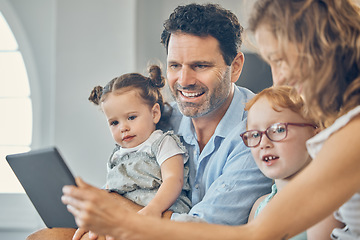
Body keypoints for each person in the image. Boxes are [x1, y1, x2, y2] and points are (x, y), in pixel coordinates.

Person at [59, 0, 360, 239]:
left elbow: (255, 234)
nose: (277, 77)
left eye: (281, 59)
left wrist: (123, 218)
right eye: (175, 65)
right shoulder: (162, 119)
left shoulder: (266, 133)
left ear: (322, 48)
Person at [27, 3, 271, 240]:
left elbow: (205, 229)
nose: (184, 80)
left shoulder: (259, 132)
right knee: (44, 237)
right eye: (175, 65)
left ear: (235, 66)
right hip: (141, 231)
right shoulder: (161, 117)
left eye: (200, 65)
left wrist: (115, 208)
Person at [85, 65, 191, 238]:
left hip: (160, 213)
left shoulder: (162, 142)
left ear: (154, 113)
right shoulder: (116, 156)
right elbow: (112, 192)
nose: (123, 128)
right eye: (114, 123)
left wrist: (153, 209)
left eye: (131, 117)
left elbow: (174, 180)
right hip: (125, 219)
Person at [242, 86, 319, 240]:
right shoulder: (259, 206)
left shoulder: (323, 203)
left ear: (315, 133)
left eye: (278, 130)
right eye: (255, 134)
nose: (264, 143)